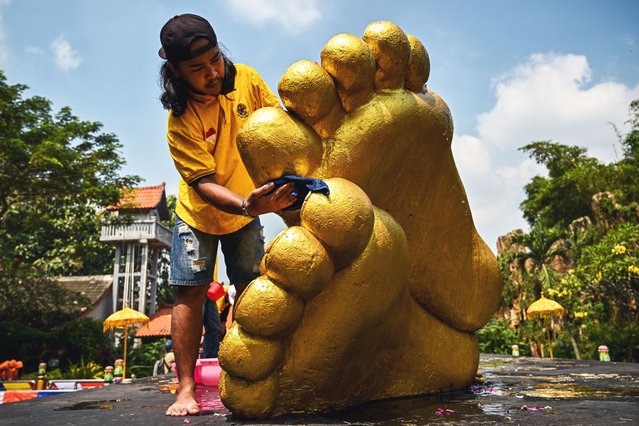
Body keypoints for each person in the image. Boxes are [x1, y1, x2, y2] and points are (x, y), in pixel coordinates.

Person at [158, 14, 296, 416]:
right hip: (199, 216)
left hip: (246, 208)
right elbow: (203, 184)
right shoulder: (179, 120)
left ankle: (264, 372)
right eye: (197, 69)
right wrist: (246, 205)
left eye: (215, 60)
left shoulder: (247, 80)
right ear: (176, 72)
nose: (212, 73)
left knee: (254, 290)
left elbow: (279, 129)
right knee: (191, 294)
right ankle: (185, 389)